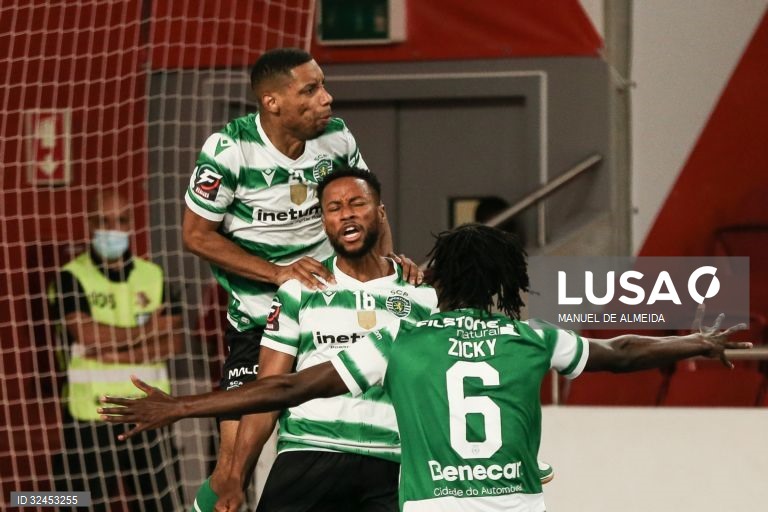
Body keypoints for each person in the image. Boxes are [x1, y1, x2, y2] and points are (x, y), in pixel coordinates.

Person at [98, 224, 750, 511]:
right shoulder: (529, 338)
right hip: (517, 504)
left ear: (439, 280)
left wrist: (180, 406)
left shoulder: (401, 340)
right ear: (504, 282)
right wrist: (695, 342)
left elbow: (288, 386)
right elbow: (624, 353)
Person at [182, 47, 418, 511]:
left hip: (329, 317)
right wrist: (278, 273)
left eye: (322, 85)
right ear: (272, 102)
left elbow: (370, 209)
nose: (326, 98)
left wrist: (388, 274)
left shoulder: (336, 138)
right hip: (258, 323)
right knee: (232, 472)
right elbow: (196, 235)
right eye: (310, 90)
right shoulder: (230, 150)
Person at [48, 189, 183, 511]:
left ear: (131, 224)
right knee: (78, 502)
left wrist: (119, 354)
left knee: (160, 503)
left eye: (120, 221)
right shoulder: (71, 278)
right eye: (104, 221)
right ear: (90, 224)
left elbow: (174, 341)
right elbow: (87, 334)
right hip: (92, 413)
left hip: (148, 408)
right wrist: (146, 331)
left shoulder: (154, 276)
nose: (113, 229)